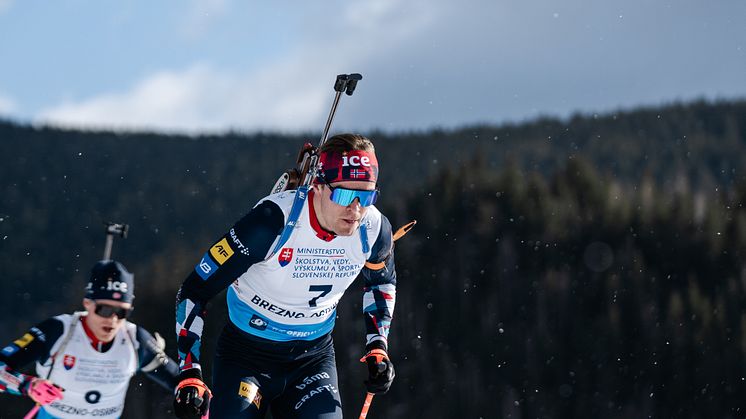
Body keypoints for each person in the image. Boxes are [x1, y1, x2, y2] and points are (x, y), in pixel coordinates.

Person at [173, 133, 398, 418]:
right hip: (246, 357)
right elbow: (194, 291)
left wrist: (378, 345)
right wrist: (189, 370)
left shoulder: (374, 229)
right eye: (343, 194)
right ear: (317, 185)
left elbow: (381, 282)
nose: (355, 209)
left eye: (366, 195)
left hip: (312, 361)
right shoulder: (272, 223)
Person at [0, 260, 179, 419]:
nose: (113, 319)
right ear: (87, 303)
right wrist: (26, 385)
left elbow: (178, 381)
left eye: (122, 312)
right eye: (104, 310)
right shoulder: (58, 331)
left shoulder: (136, 340)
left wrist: (193, 390)